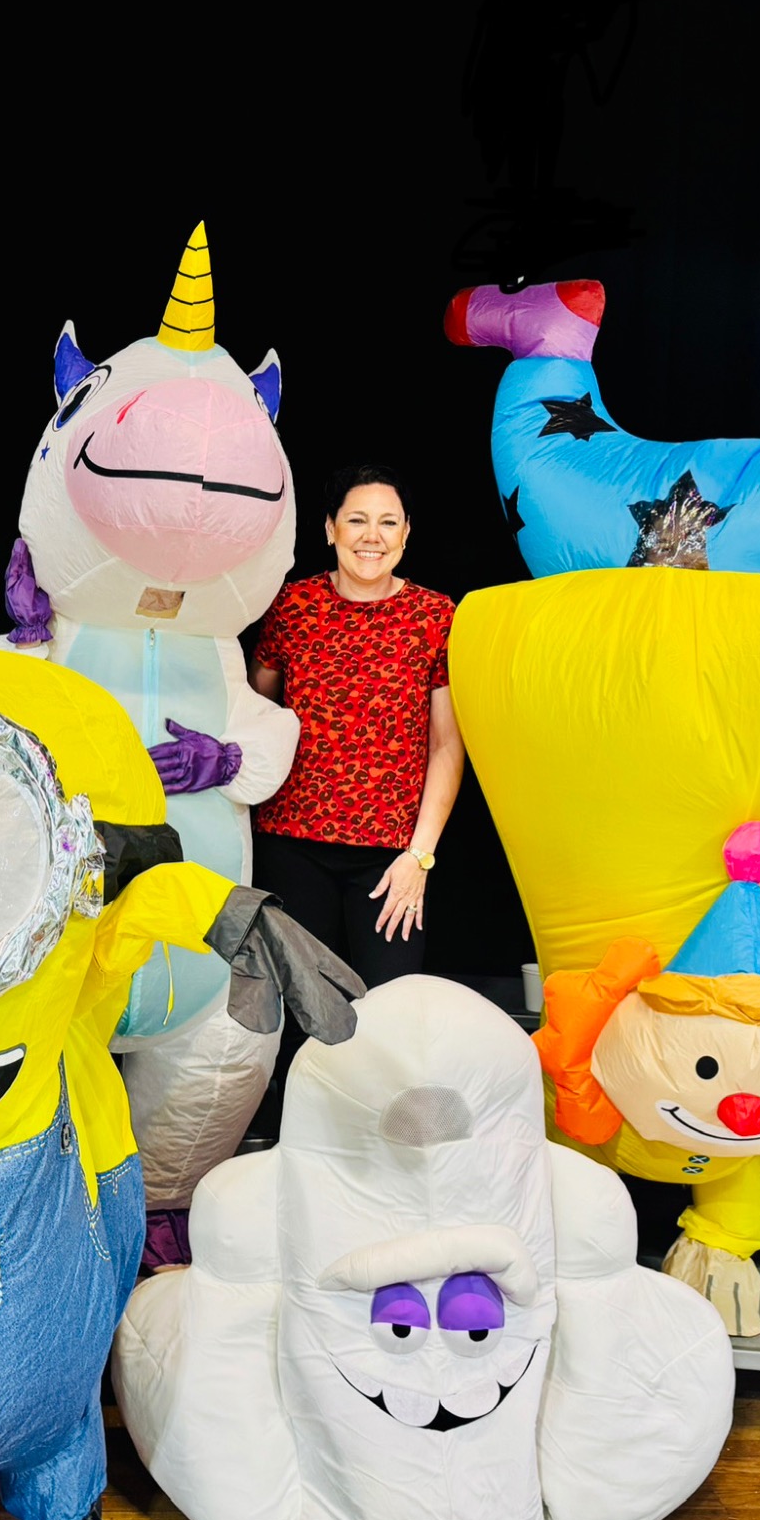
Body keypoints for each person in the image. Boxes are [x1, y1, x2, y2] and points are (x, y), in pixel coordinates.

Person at [246, 464, 463, 1133]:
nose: (373, 535)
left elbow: (447, 747)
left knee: (388, 1018)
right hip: (291, 846)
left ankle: (378, 1151)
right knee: (299, 1018)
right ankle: (300, 1145)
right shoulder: (292, 605)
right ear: (330, 529)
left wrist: (419, 858)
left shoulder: (435, 615)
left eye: (388, 522)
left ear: (407, 534)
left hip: (391, 860)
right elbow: (256, 712)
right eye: (358, 520)